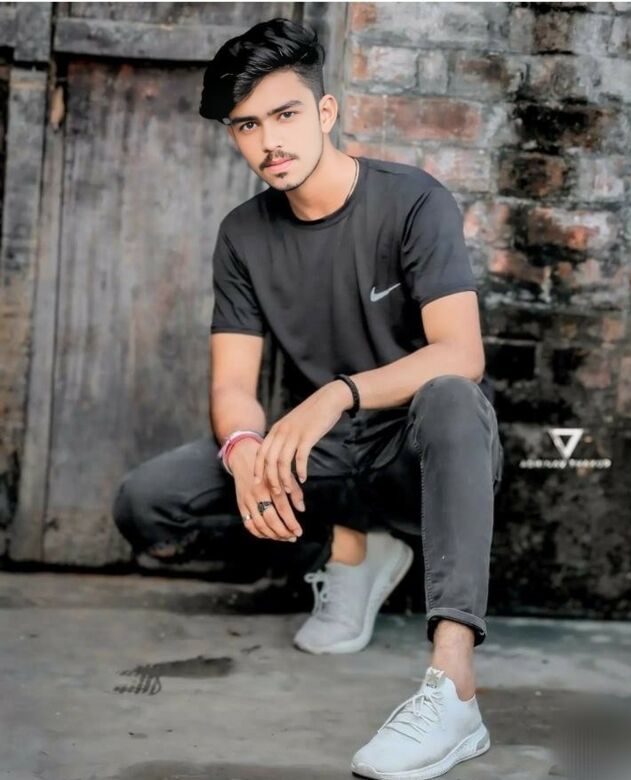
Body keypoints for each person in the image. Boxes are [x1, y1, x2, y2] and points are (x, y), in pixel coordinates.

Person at [111, 16, 504, 780]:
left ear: (325, 112)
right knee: (149, 501)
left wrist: (336, 395)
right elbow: (233, 383)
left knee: (455, 397)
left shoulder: (413, 202)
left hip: (415, 450)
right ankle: (347, 552)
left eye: (285, 114)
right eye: (247, 125)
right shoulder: (243, 234)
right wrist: (244, 450)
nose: (269, 142)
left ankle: (453, 686)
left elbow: (462, 353)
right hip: (324, 457)